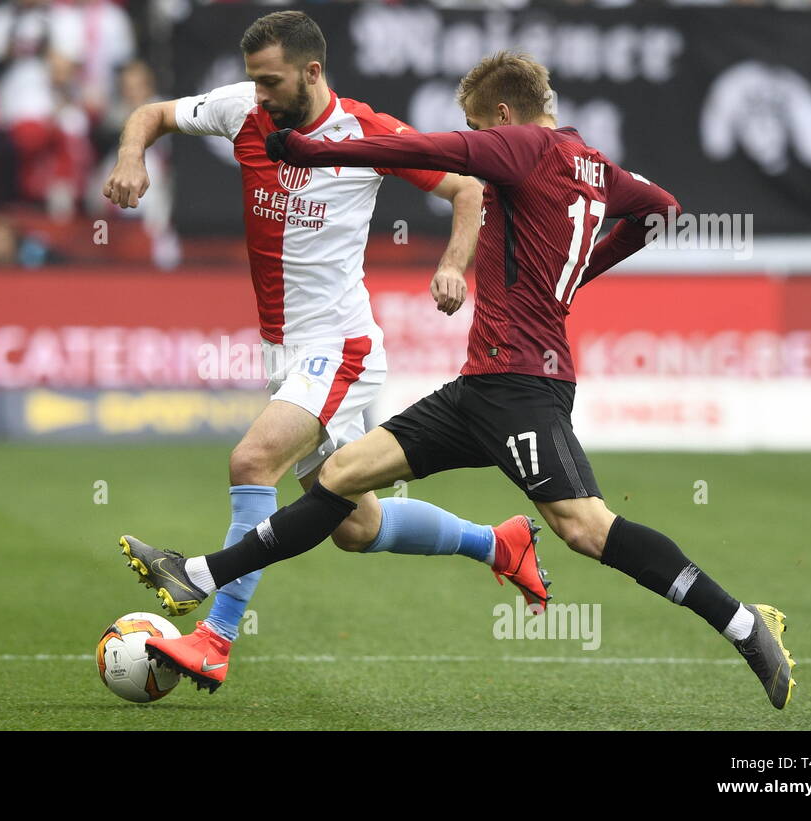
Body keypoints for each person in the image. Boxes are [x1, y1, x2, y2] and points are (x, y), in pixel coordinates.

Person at [119, 51, 797, 710]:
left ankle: (742, 623)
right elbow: (662, 206)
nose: (476, 138)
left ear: (503, 114)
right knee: (340, 476)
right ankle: (201, 572)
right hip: (480, 386)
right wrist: (575, 274)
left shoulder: (522, 146)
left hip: (523, 388)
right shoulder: (591, 164)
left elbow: (429, 154)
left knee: (586, 527)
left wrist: (312, 153)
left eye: (479, 124)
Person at [104, 13, 546, 693]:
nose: (259, 96)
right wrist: (132, 156)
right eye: (253, 81)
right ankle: (500, 542)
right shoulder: (242, 111)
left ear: (311, 73)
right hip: (284, 351)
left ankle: (214, 638)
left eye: (271, 81)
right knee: (354, 524)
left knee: (252, 459)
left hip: (340, 345)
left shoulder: (367, 132)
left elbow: (466, 186)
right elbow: (153, 113)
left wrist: (455, 265)